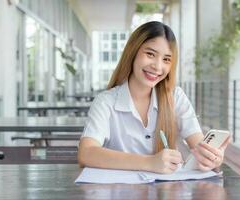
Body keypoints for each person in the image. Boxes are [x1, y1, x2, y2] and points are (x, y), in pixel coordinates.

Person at [78, 21, 230, 174]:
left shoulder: (175, 97)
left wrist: (211, 157)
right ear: (133, 53)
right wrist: (149, 162)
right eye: (150, 54)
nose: (157, 66)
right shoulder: (106, 102)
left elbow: (198, 145)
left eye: (166, 59)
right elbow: (86, 153)